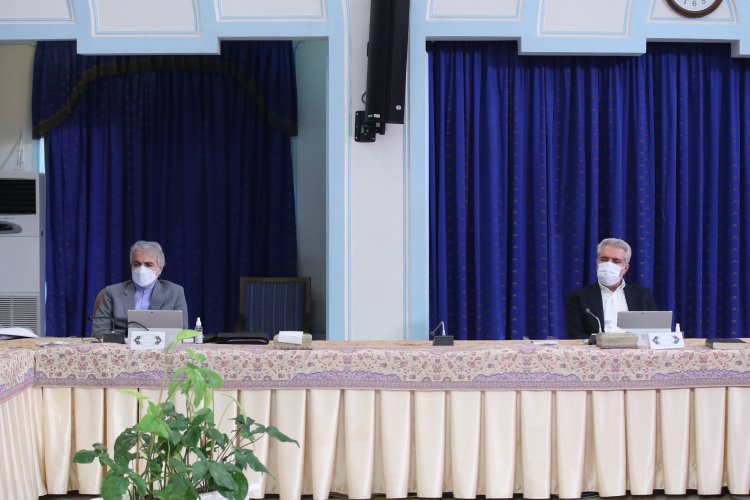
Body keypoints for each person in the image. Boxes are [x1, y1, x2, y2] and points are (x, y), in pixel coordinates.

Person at [93, 240, 188, 338]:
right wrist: (125, 341)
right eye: (137, 264)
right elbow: (99, 331)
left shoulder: (175, 292)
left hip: (161, 345)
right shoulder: (112, 292)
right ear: (131, 267)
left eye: (148, 265)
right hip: (122, 344)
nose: (142, 269)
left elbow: (182, 333)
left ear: (160, 269)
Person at [566, 237, 657, 338]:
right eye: (604, 259)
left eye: (616, 261)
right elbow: (575, 334)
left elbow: (654, 331)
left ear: (625, 268)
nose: (609, 264)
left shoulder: (642, 295)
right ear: (597, 263)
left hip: (635, 346)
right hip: (597, 347)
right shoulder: (580, 297)